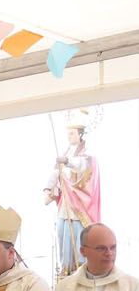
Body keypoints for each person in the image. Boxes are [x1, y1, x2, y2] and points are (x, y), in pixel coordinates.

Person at [45, 110, 101, 278]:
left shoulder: (87, 152)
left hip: (80, 207)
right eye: (68, 133)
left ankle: (80, 272)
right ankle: (65, 271)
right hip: (66, 205)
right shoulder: (66, 151)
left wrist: (68, 162)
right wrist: (48, 189)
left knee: (78, 242)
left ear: (80, 133)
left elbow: (84, 166)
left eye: (72, 133)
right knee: (63, 238)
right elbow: (56, 172)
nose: (69, 136)